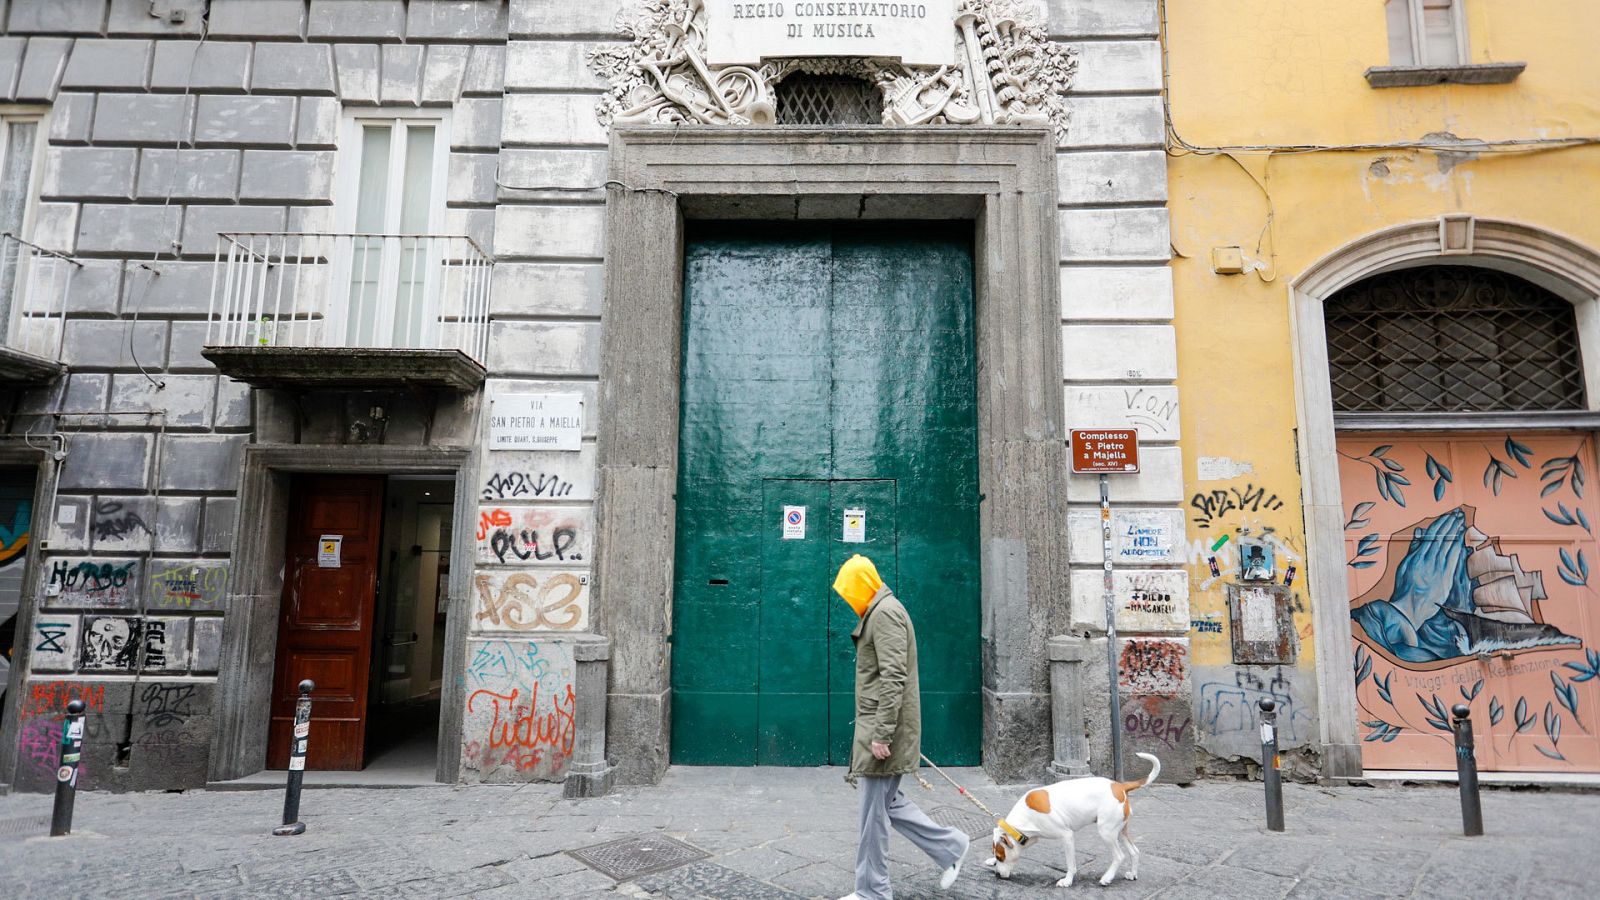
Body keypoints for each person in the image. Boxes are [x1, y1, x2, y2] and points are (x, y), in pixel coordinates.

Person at [833, 554, 968, 900]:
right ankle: (951, 846)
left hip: (882, 732)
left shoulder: (886, 614)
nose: (848, 601)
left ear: (861, 587)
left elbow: (894, 677)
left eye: (849, 593)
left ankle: (872, 892)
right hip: (880, 725)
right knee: (890, 805)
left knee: (872, 818)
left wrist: (882, 734)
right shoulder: (880, 611)